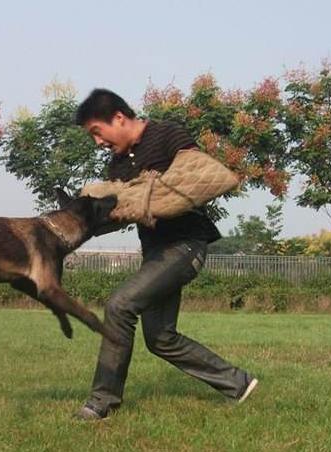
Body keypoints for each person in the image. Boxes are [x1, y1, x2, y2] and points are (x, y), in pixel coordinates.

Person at [73, 88, 257, 421]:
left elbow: (194, 174)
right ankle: (238, 383)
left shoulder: (167, 134)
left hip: (186, 246)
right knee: (160, 338)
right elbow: (119, 211)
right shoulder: (117, 163)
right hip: (156, 254)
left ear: (118, 118)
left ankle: (102, 400)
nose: (97, 142)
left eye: (96, 133)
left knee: (119, 305)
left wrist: (148, 194)